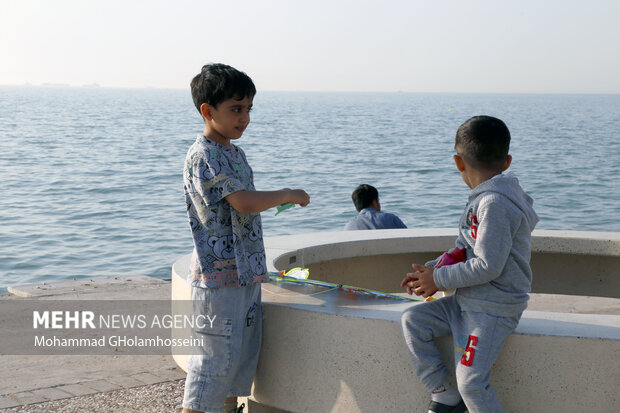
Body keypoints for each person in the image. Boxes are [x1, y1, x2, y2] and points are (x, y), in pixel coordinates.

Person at [181, 63, 310, 413]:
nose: (245, 118)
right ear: (208, 111)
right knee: (212, 363)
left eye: (249, 109)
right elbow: (243, 201)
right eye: (236, 109)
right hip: (218, 278)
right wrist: (286, 193)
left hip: (246, 272)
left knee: (237, 359)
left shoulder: (234, 153)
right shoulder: (204, 155)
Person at [400, 116, 538, 413]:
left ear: (458, 162)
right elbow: (464, 248)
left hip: (492, 309)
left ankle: (457, 395)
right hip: (467, 301)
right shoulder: (484, 198)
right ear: (507, 161)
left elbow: (488, 265)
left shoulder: (495, 203)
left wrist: (439, 280)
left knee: (472, 383)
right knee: (413, 321)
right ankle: (443, 393)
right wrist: (429, 271)